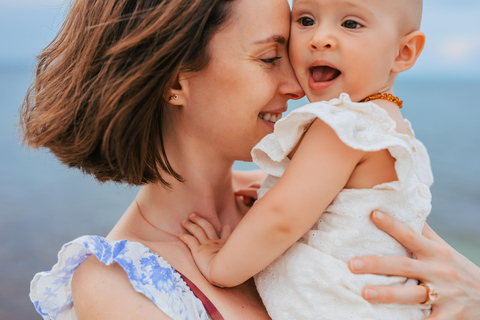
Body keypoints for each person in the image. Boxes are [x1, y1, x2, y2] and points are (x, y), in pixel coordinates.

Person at [20, 0, 480, 319]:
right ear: (175, 82)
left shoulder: (324, 201)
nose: (298, 86)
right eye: (269, 58)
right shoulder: (115, 285)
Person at [179, 0, 480, 319]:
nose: (320, 38)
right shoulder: (394, 127)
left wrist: (219, 266)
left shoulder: (342, 125)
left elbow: (282, 216)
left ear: (403, 52)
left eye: (350, 24)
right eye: (306, 20)